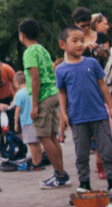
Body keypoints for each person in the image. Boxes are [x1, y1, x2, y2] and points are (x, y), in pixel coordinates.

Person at [56, 26, 112, 193]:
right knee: (81, 154)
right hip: (78, 118)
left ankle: (111, 181)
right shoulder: (61, 70)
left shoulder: (92, 63)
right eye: (75, 41)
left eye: (82, 40)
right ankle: (84, 183)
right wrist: (63, 114)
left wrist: (110, 106)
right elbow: (62, 93)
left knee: (107, 151)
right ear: (62, 44)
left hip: (99, 114)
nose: (80, 44)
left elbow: (102, 85)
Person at [18, 18, 70, 189]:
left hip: (43, 97)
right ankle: (60, 173)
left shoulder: (29, 52)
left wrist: (34, 105)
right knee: (53, 136)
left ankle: (60, 175)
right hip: (53, 93)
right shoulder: (42, 49)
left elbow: (34, 77)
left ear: (22, 34)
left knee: (43, 137)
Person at [73, 7, 110, 179]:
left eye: (87, 25)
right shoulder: (75, 40)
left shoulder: (101, 37)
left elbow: (107, 56)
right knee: (92, 125)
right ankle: (99, 164)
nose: (85, 28)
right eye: (82, 25)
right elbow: (71, 58)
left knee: (104, 124)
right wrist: (83, 47)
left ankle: (104, 163)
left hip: (103, 81)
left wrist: (100, 51)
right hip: (86, 85)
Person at [13, 71, 43, 169]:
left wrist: (15, 123)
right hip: (36, 120)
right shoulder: (31, 91)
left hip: (26, 121)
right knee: (37, 142)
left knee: (31, 144)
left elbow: (18, 109)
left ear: (17, 83)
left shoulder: (19, 94)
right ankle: (40, 160)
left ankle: (35, 163)